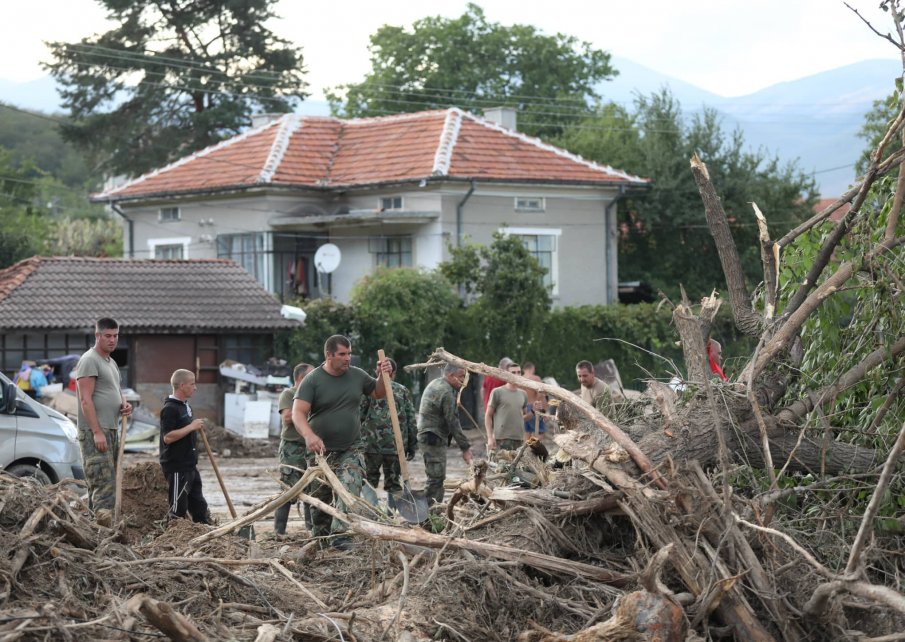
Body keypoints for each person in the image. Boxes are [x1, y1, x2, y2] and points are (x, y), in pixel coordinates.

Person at [291, 335, 391, 548]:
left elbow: (378, 392)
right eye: (342, 354)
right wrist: (309, 435)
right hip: (321, 451)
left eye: (349, 353)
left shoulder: (357, 375)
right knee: (321, 502)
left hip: (351, 448)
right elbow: (297, 413)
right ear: (329, 355)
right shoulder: (312, 380)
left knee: (349, 485)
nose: (347, 358)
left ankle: (340, 535)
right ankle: (321, 540)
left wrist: (383, 375)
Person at [75, 318, 133, 517]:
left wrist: (123, 404)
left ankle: (97, 531)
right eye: (108, 336)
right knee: (103, 484)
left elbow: (116, 390)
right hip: (95, 431)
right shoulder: (89, 360)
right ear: (97, 335)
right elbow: (85, 399)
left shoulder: (111, 362)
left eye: (115, 336)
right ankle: (102, 535)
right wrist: (97, 432)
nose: (112, 340)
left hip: (111, 429)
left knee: (109, 483)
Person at [359, 357, 417, 497]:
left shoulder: (368, 391)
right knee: (393, 482)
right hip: (395, 446)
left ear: (376, 372)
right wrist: (412, 445)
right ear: (393, 373)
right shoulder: (402, 391)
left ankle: (372, 512)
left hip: (371, 445)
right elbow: (411, 421)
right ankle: (391, 516)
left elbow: (359, 416)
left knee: (368, 480)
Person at [159, 369, 211, 524]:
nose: (195, 388)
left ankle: (205, 534)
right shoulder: (169, 409)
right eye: (192, 384)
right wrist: (191, 427)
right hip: (177, 466)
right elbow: (167, 437)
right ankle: (173, 540)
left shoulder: (185, 406)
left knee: (199, 505)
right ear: (182, 385)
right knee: (177, 509)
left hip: (190, 465)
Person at [418, 363, 474, 504]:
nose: (463, 381)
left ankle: (431, 512)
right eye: (461, 377)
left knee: (436, 477)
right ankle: (428, 514)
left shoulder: (438, 384)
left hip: (430, 436)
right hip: (432, 437)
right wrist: (465, 448)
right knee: (436, 479)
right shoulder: (446, 392)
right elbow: (453, 422)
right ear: (450, 375)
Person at [273, 362, 315, 535]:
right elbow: (288, 418)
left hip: (309, 448)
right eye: (312, 375)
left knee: (311, 489)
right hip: (292, 448)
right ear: (301, 378)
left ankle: (311, 530)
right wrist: (305, 407)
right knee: (288, 490)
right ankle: (279, 532)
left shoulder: (314, 395)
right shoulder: (289, 393)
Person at [486, 362, 533, 451]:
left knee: (518, 465)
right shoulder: (497, 392)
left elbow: (523, 417)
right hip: (501, 439)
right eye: (513, 372)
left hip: (519, 439)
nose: (516, 375)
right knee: (501, 465)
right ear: (506, 374)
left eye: (519, 372)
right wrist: (490, 437)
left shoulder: (523, 394)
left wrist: (534, 411)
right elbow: (488, 415)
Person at [522, 361, 546, 436]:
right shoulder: (536, 379)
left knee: (527, 432)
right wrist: (544, 410)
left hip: (524, 409)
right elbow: (541, 395)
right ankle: (536, 448)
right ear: (532, 369)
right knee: (539, 432)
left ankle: (528, 448)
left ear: (524, 370)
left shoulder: (519, 379)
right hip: (534, 407)